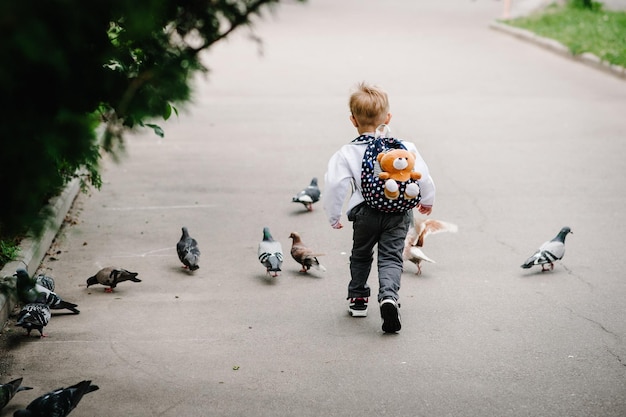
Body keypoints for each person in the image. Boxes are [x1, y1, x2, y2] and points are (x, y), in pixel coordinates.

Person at [323, 82, 436, 333]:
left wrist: (333, 215)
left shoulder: (347, 152)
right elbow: (423, 176)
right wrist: (426, 200)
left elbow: (334, 185)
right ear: (388, 117)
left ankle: (359, 299)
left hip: (365, 213)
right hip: (397, 213)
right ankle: (388, 297)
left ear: (353, 120)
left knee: (361, 254)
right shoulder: (405, 148)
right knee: (391, 258)